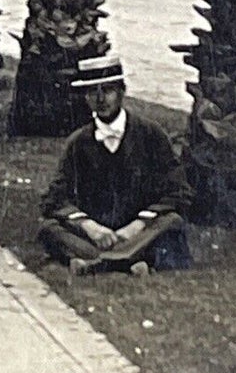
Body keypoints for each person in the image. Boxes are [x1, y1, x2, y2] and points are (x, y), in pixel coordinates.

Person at [39, 53, 192, 276]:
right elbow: (54, 198)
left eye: (108, 90)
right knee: (48, 228)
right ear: (86, 98)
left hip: (139, 230)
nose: (101, 99)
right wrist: (89, 226)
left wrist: (137, 225)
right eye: (93, 92)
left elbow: (178, 192)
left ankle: (96, 262)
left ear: (122, 92)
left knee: (172, 222)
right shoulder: (79, 142)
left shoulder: (151, 134)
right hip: (97, 233)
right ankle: (130, 262)